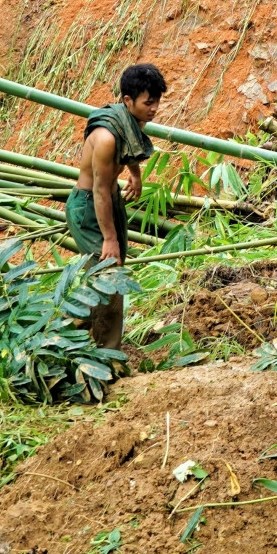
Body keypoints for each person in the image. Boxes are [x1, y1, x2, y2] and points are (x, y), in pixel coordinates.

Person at [69, 62, 165, 348]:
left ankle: (70, 336)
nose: (154, 109)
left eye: (157, 101)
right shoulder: (107, 137)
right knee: (111, 276)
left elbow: (132, 149)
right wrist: (109, 238)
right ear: (127, 101)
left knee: (103, 275)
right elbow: (98, 190)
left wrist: (135, 175)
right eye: (149, 103)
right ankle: (105, 354)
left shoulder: (130, 121)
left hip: (109, 202)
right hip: (89, 208)